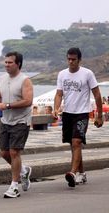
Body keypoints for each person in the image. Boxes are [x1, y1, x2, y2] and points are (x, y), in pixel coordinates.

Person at [53, 47, 103, 188]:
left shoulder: (87, 74)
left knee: (76, 142)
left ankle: (73, 173)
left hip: (82, 113)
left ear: (79, 60)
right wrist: (56, 108)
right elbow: (58, 94)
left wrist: (99, 115)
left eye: (74, 59)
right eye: (69, 59)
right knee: (74, 145)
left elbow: (97, 94)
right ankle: (81, 173)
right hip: (68, 114)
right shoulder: (62, 74)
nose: (71, 62)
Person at [0, 51, 33, 198]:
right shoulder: (2, 78)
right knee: (4, 153)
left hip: (21, 120)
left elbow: (28, 101)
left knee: (14, 152)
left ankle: (14, 186)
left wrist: (7, 105)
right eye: (6, 62)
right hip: (6, 121)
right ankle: (23, 171)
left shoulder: (25, 80)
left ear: (18, 64)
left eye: (10, 62)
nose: (7, 65)